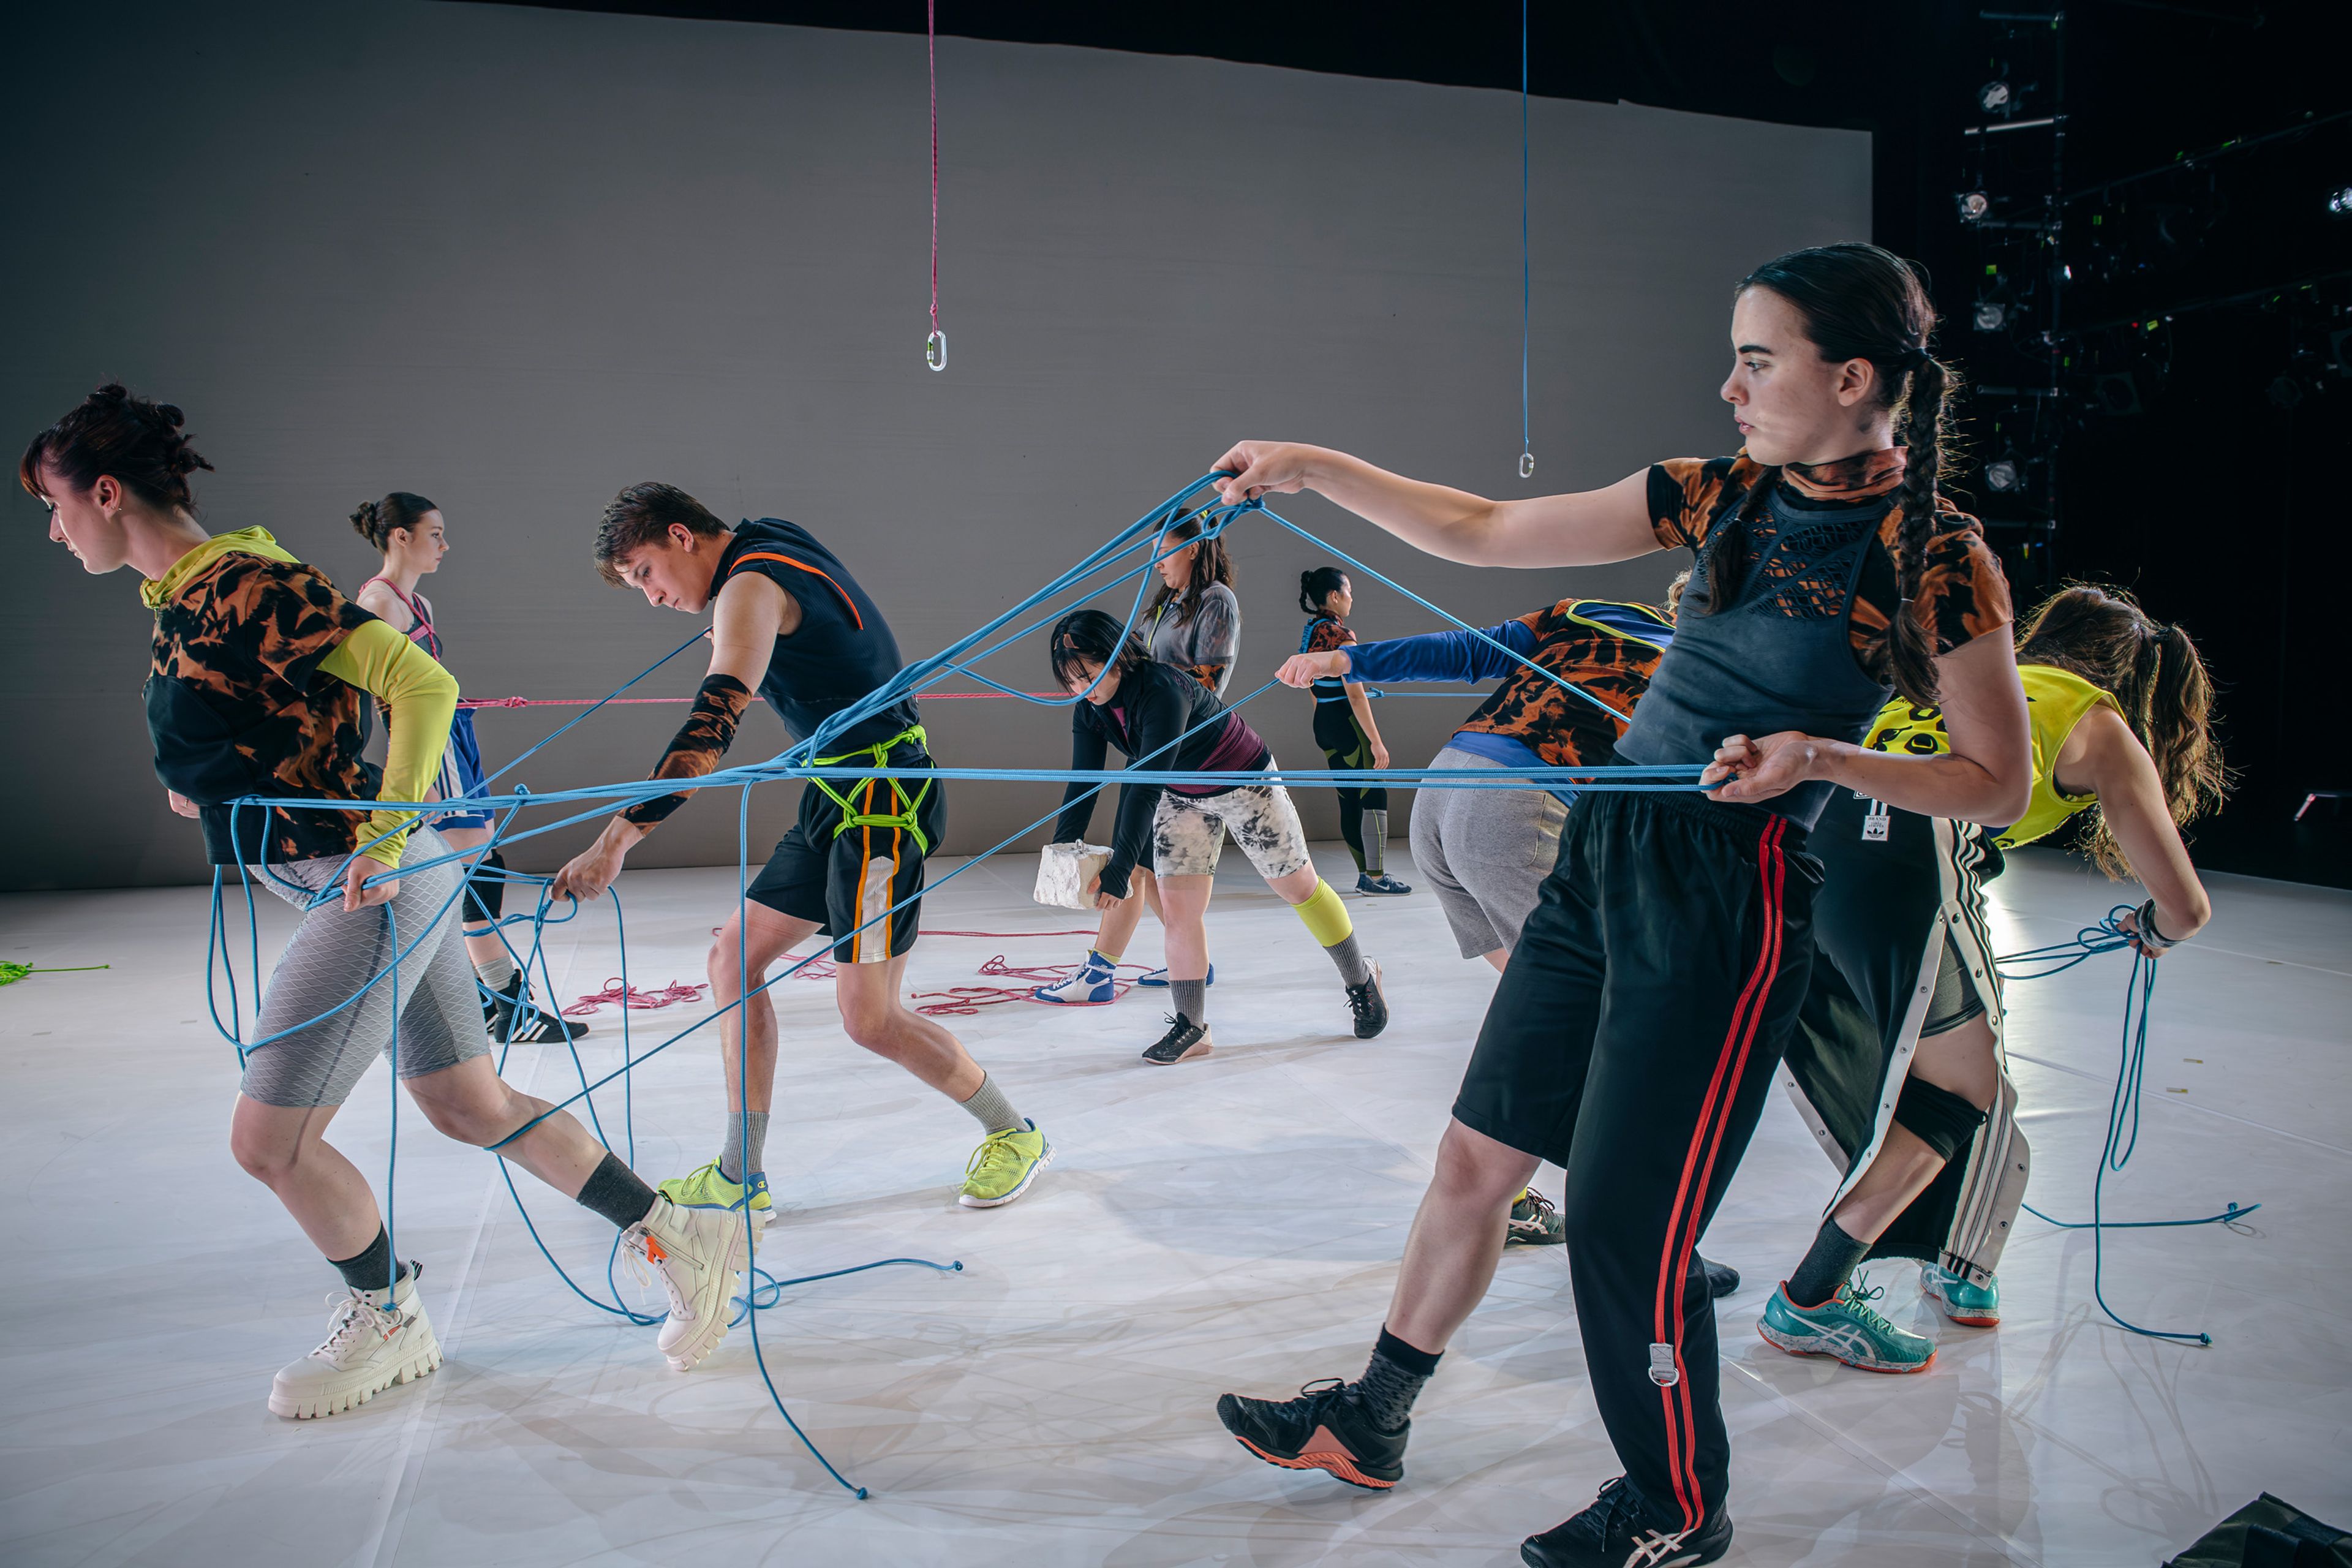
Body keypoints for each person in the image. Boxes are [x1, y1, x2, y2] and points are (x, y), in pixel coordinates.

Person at [1205, 243, 2030, 1567]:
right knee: (1479, 1158)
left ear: (1853, 375)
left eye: (1758, 359)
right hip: (1606, 852)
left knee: (1628, 1226)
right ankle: (1374, 1414)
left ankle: (1675, 1506)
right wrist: (1312, 463)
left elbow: (1993, 781)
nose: (1730, 385)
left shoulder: (1936, 555)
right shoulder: (1721, 495)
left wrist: (1817, 758)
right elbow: (1478, 530)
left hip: (1727, 894)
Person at [22, 385, 745, 1419]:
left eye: (56, 507)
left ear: (103, 492)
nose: (53, 531)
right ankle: (681, 1232)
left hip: (363, 887)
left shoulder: (243, 582)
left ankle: (387, 1316)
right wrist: (206, 781)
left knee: (267, 1143)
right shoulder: (189, 594)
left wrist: (388, 834)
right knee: (470, 1104)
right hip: (368, 880)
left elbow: (423, 688)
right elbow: (266, 720)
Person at [551, 484, 1050, 1217]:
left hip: (883, 808)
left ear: (683, 536)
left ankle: (1016, 1133)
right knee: (732, 957)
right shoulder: (768, 540)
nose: (652, 598)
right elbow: (821, 649)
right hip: (838, 796)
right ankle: (739, 1173)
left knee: (870, 1019)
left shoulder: (748, 585)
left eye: (645, 574)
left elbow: (707, 734)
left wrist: (614, 840)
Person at [1760, 583, 2225, 1370]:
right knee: (1962, 1093)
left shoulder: (1979, 676)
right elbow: (2186, 908)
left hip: (1807, 845)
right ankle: (1812, 1296)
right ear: (2140, 680)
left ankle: (1963, 1266)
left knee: (1966, 1076)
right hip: (1909, 861)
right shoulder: (2097, 721)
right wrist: (2150, 929)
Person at [1275, 576, 1748, 1278]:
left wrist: (1348, 661)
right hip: (1511, 814)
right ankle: (1641, 1245)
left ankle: (1517, 1193)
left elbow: (1471, 650)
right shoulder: (1722, 675)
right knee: (1616, 1034)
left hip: (1444, 796)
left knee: (1536, 1016)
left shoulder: (1596, 612)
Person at [1041, 609, 1390, 1064]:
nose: (1081, 688)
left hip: (1244, 782)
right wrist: (1064, 848)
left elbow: (1140, 786)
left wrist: (1121, 870)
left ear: (1118, 657)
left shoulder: (1161, 689)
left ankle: (1362, 979)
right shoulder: (1089, 708)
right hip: (1181, 795)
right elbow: (1084, 779)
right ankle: (1193, 1027)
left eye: (1088, 674)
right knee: (1180, 908)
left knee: (1298, 888)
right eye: (1070, 681)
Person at [350, 492, 586, 1046]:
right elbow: (377, 697)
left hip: (455, 740)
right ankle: (505, 1003)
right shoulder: (378, 604)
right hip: (432, 750)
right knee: (475, 866)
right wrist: (418, 777)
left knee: (472, 867)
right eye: (434, 533)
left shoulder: (420, 606)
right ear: (401, 537)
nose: (444, 545)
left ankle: (491, 1001)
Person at [1039, 510, 1246, 1000]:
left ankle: (1099, 975)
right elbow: (1125, 670)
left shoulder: (1216, 600)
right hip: (1150, 738)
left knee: (1131, 864)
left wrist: (1147, 702)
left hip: (1183, 745)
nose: (1155, 564)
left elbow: (1205, 685)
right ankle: (1193, 958)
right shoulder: (1165, 605)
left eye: (1162, 552)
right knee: (1149, 870)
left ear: (1192, 547)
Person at [1295, 567, 1411, 895]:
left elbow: (1311, 685)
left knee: (1348, 798)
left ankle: (1365, 874)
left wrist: (1323, 722)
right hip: (1347, 722)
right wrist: (1376, 742)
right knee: (1373, 793)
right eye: (1348, 592)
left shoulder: (1311, 632)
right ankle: (1375, 878)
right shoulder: (1340, 635)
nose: (1351, 599)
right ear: (1335, 596)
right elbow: (1356, 695)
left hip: (1325, 723)